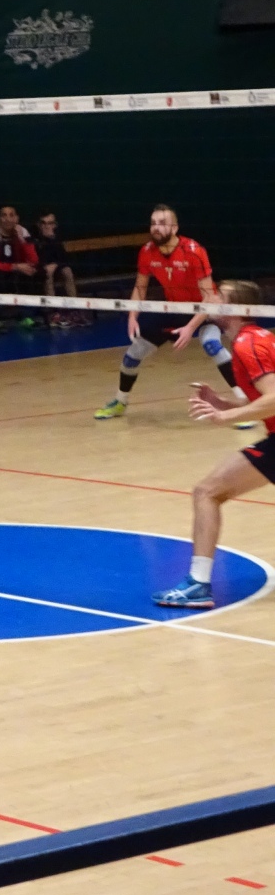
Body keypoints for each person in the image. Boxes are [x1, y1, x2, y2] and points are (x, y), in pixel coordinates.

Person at [157, 281, 275, 608]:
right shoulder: (255, 339)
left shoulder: (248, 344)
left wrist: (226, 417)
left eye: (219, 295)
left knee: (207, 492)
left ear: (234, 309)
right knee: (208, 492)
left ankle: (198, 584)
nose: (210, 299)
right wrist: (223, 404)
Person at [95, 205, 239, 420]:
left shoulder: (193, 251)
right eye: (153, 223)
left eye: (162, 223)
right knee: (134, 353)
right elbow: (140, 287)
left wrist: (190, 328)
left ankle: (244, 402)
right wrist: (132, 316)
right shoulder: (147, 252)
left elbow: (209, 298)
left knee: (212, 345)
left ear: (175, 228)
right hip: (175, 308)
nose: (156, 227)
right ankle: (120, 402)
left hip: (206, 311)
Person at [0, 206, 40, 327]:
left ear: (17, 218)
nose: (8, 219)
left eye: (11, 215)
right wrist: (15, 267)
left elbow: (34, 260)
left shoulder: (22, 232)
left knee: (35, 272)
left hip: (15, 270)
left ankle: (27, 315)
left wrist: (22, 240)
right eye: (4, 215)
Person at [32, 212, 86, 328]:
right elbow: (38, 259)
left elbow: (63, 258)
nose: (47, 226)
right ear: (38, 225)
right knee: (48, 272)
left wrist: (52, 240)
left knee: (67, 271)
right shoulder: (34, 238)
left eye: (50, 223)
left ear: (55, 225)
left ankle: (74, 310)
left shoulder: (56, 237)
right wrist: (49, 265)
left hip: (55, 267)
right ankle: (53, 312)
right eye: (43, 223)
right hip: (38, 270)